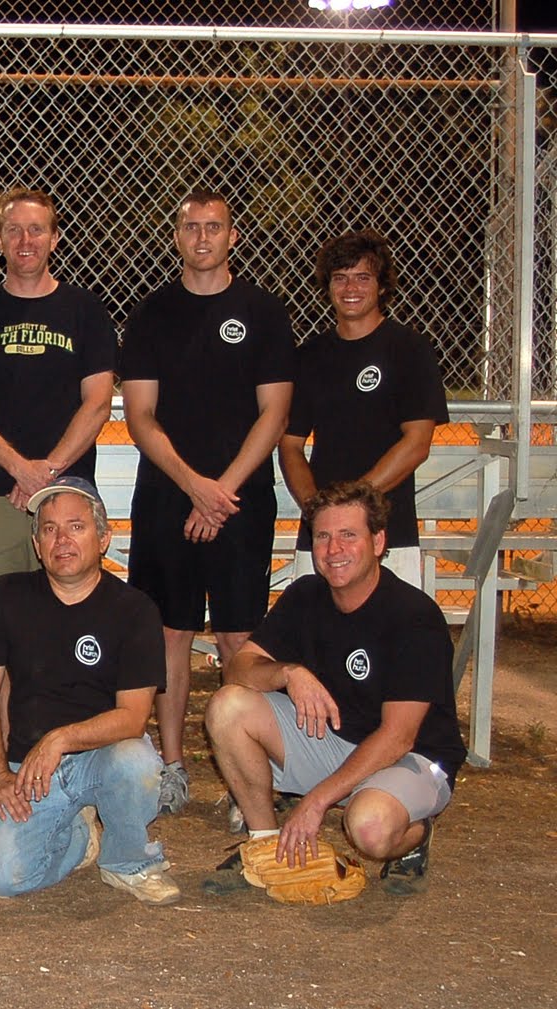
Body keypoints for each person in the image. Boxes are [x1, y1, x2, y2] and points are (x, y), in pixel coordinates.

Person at [120, 190, 295, 814]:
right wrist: (195, 485)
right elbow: (140, 416)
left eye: (213, 227)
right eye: (190, 227)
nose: (201, 238)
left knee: (238, 636)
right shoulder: (152, 314)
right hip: (169, 498)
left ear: (232, 236)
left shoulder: (263, 312)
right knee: (169, 631)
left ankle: (240, 770)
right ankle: (171, 768)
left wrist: (222, 492)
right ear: (176, 236)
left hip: (242, 501)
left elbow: (273, 414)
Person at [204, 481, 464, 896]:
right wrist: (288, 672)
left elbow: (397, 737)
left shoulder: (413, 616)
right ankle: (267, 845)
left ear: (378, 541)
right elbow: (238, 669)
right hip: (335, 739)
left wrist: (315, 802)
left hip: (410, 757)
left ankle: (415, 834)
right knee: (228, 707)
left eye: (349, 535)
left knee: (370, 829)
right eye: (323, 536)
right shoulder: (306, 595)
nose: (333, 549)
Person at [0, 477, 179, 905]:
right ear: (37, 544)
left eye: (76, 527)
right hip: (28, 768)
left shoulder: (135, 610)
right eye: (49, 529)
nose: (62, 539)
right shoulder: (5, 596)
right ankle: (80, 835)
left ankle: (129, 862)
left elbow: (133, 716)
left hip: (102, 757)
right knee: (0, 880)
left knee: (137, 760)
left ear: (103, 537)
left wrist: (59, 739)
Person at [0, 188, 115, 627]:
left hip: (67, 491)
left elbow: (98, 404)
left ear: (54, 238)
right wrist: (20, 468)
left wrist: (47, 473)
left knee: (67, 632)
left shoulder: (85, 311)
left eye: (36, 230)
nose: (25, 240)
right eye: (14, 230)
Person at [280, 229, 449, 589]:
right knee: (315, 636)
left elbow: (417, 442)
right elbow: (290, 444)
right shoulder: (310, 356)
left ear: (382, 286)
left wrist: (354, 504)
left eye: (362, 277)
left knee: (390, 637)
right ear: (327, 286)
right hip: (322, 533)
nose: (350, 288)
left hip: (388, 528)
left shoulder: (410, 350)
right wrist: (318, 508)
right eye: (340, 278)